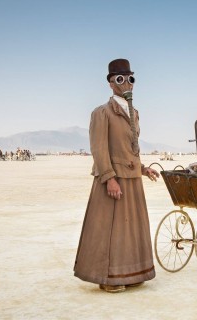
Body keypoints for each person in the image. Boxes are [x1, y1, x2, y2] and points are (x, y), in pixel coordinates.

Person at [74, 58, 159, 293]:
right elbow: (99, 148)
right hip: (113, 179)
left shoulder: (135, 113)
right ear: (111, 84)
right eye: (120, 79)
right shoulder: (102, 112)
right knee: (108, 230)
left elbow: (130, 146)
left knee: (130, 230)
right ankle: (107, 277)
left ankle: (131, 273)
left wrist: (143, 168)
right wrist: (109, 177)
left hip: (132, 179)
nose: (127, 84)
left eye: (130, 79)